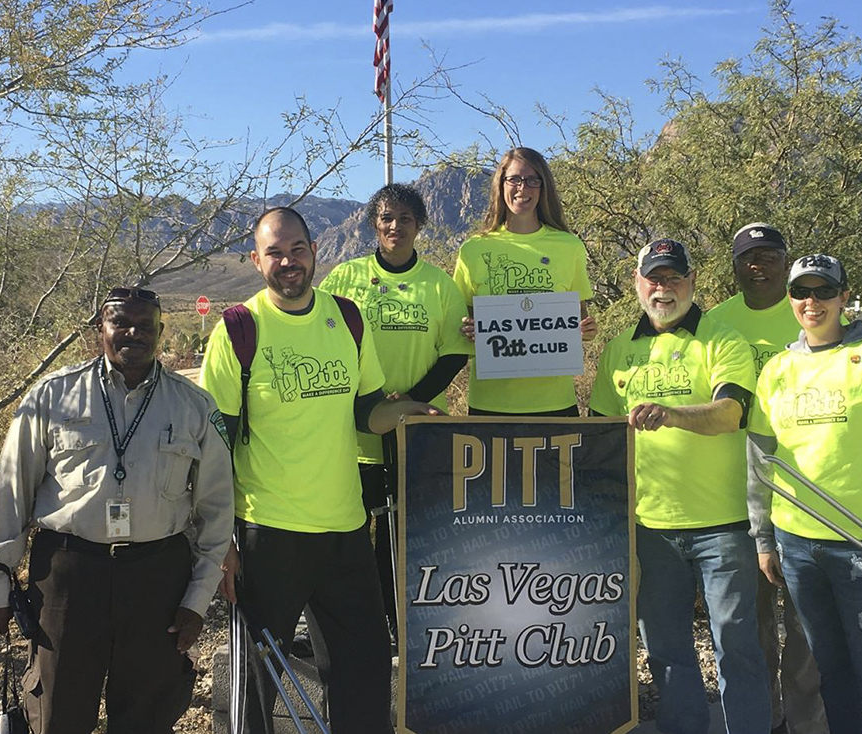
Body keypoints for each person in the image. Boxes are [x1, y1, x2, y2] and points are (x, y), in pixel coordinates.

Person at [200, 207, 440, 734]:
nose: (289, 262)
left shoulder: (348, 318)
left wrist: (410, 413)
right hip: (268, 532)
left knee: (364, 668)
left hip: (346, 529)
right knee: (256, 681)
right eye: (275, 253)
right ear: (256, 259)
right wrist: (221, 543)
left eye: (298, 249)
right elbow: (213, 446)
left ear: (315, 250)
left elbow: (367, 412)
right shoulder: (239, 329)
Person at [0, 287, 234, 734]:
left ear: (160, 331)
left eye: (145, 324)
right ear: (102, 329)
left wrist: (197, 599)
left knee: (147, 716)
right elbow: (11, 488)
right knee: (57, 713)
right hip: (69, 574)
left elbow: (217, 509)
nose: (133, 333)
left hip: (158, 578)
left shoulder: (194, 406)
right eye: (121, 323)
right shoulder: (53, 396)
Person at [746, 254, 862, 734]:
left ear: (844, 297)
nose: (812, 302)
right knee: (832, 679)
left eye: (824, 291)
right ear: (790, 299)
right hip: (798, 547)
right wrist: (763, 538)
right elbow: (758, 463)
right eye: (802, 292)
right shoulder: (777, 370)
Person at [590, 238, 772, 734]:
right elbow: (602, 438)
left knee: (737, 648)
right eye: (653, 277)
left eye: (673, 278)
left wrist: (670, 414)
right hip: (650, 527)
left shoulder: (723, 340)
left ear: (692, 281)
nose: (662, 288)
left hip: (724, 526)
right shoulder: (619, 351)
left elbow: (731, 413)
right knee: (666, 652)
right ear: (637, 284)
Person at [320, 183, 471, 641]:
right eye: (386, 217)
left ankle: (402, 621)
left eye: (405, 218)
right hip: (355, 432)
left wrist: (407, 404)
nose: (395, 226)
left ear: (420, 225)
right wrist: (365, 402)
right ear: (373, 224)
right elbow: (323, 340)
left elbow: (454, 352)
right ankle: (350, 622)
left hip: (418, 431)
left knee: (407, 531)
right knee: (348, 531)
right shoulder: (344, 279)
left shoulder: (439, 284)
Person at [708, 223, 828, 734]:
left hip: (805, 493)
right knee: (752, 626)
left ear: (786, 261)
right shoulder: (714, 322)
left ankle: (805, 722)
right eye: (748, 257)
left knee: (806, 626)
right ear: (734, 265)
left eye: (769, 255)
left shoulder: (809, 316)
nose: (758, 265)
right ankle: (767, 719)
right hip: (738, 495)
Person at [454, 146, 597, 416]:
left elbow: (579, 318)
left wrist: (587, 331)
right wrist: (469, 331)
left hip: (554, 402)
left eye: (533, 180)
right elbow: (459, 323)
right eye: (515, 179)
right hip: (490, 402)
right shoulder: (472, 250)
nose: (523, 188)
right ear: (501, 184)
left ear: (543, 187)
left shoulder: (569, 246)